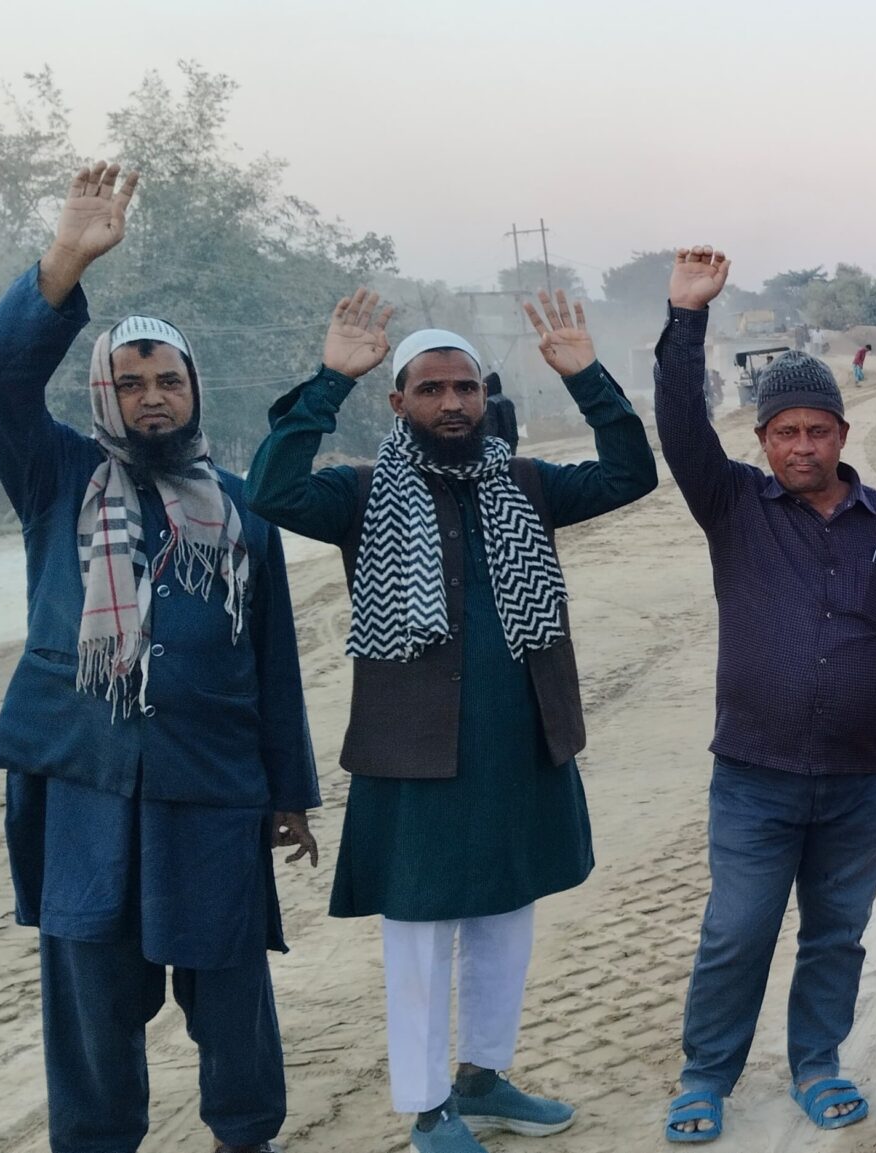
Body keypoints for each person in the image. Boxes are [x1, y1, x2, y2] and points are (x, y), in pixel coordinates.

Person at [247, 287, 659, 1153]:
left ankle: (482, 1076)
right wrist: (329, 380)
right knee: (420, 932)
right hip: (414, 755)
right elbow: (272, 489)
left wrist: (586, 377)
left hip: (520, 744)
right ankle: (429, 1105)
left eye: (465, 387)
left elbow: (632, 472)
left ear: (483, 395)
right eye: (430, 389)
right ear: (399, 402)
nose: (451, 403)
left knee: (507, 917)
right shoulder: (359, 495)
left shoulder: (527, 482)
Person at [0, 161, 320, 1153]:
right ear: (105, 393)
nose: (152, 397)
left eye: (169, 380)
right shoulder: (56, 475)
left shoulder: (244, 505)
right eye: (131, 382)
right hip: (83, 784)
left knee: (231, 987)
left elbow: (274, 663)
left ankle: (246, 1134)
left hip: (209, 786)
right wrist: (64, 259)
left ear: (194, 389)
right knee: (90, 994)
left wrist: (287, 791)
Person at [649, 248, 876, 1140]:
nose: (801, 446)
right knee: (737, 930)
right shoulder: (732, 504)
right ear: (763, 440)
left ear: (842, 433)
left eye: (816, 429)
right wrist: (685, 319)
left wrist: (863, 674)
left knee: (836, 931)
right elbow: (679, 425)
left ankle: (817, 1061)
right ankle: (706, 1075)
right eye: (784, 432)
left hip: (858, 777)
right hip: (754, 777)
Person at [481, 373, 520, 452]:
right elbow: (514, 427)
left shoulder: (490, 403)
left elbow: (490, 429)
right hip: (511, 445)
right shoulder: (508, 401)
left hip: (498, 448)